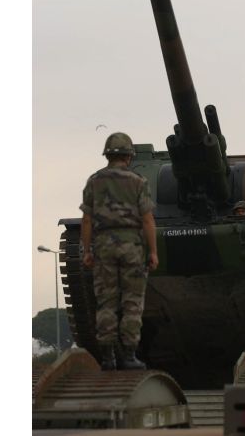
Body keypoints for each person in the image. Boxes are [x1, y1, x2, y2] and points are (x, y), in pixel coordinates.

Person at [80, 132, 159, 371]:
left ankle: (107, 357)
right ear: (129, 155)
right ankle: (129, 355)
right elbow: (147, 220)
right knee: (132, 301)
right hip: (131, 246)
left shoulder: (94, 181)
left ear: (107, 154)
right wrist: (153, 251)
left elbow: (86, 220)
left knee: (106, 301)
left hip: (104, 245)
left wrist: (87, 251)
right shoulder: (138, 181)